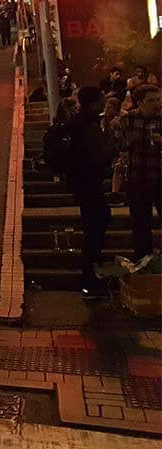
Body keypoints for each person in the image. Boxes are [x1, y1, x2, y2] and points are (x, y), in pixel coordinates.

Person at [67, 86, 112, 298]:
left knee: (93, 225)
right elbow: (98, 156)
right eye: (102, 98)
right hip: (89, 183)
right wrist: (110, 147)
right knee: (98, 222)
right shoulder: (89, 125)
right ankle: (90, 276)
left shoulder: (78, 123)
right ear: (94, 103)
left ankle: (91, 273)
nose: (105, 101)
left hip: (81, 183)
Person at [115, 84, 162, 260]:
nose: (156, 104)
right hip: (138, 179)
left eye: (158, 99)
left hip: (159, 177)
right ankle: (144, 260)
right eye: (151, 100)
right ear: (140, 102)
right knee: (141, 224)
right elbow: (119, 145)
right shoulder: (129, 120)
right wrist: (130, 141)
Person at [101, 97, 125, 207]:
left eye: (109, 107)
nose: (106, 110)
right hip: (110, 150)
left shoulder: (123, 118)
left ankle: (115, 194)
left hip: (121, 150)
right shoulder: (104, 120)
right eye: (106, 107)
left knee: (118, 166)